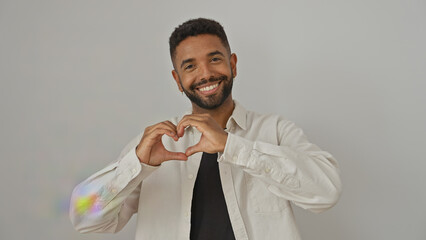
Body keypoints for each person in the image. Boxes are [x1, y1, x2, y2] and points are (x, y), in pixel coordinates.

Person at [70, 18, 342, 240]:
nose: (205, 74)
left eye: (214, 59)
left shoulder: (276, 130)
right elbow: (83, 217)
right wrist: (137, 164)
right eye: (190, 66)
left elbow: (327, 192)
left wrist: (231, 146)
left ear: (233, 64)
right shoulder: (155, 145)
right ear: (177, 80)